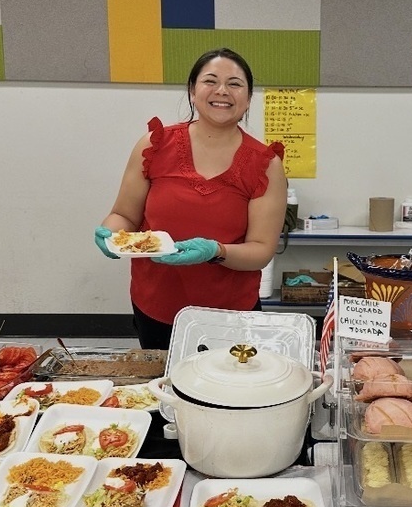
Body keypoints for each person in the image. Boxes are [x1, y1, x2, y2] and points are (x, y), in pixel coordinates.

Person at [94, 48, 288, 349]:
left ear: (248, 99)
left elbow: (261, 250)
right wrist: (111, 233)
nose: (222, 91)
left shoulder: (265, 165)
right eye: (210, 81)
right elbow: (124, 214)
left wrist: (215, 251)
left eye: (235, 84)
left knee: (227, 391)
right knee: (162, 389)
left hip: (229, 313)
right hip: (155, 304)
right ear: (192, 91)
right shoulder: (155, 145)